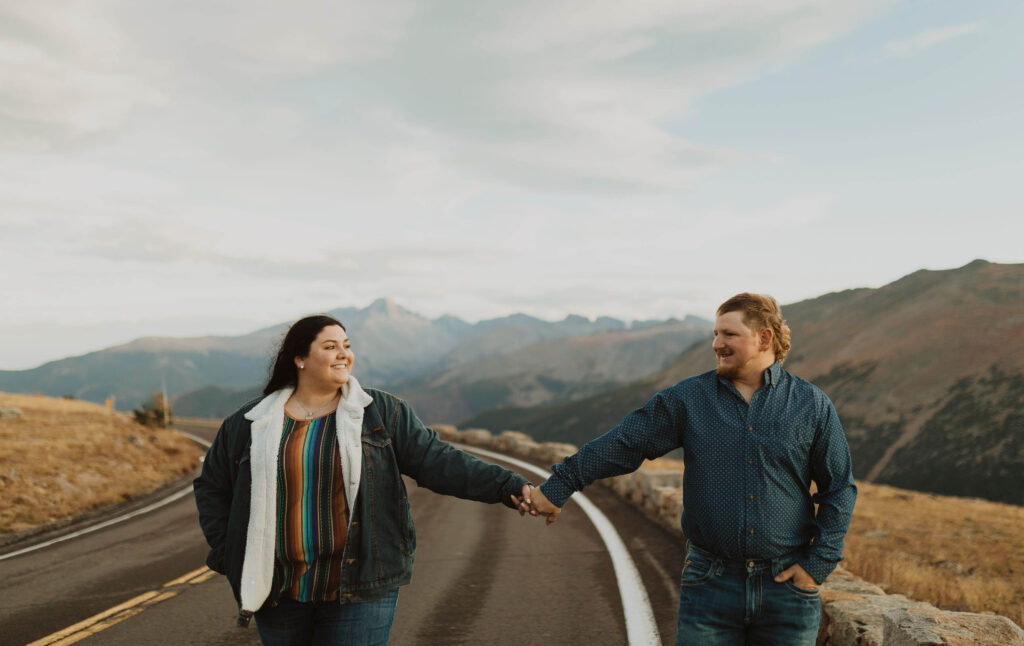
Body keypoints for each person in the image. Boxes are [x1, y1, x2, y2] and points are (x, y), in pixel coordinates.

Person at [521, 293, 857, 645]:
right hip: (711, 582)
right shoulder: (688, 399)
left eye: (728, 334)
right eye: (715, 333)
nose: (716, 344)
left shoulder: (810, 404)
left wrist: (816, 566)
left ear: (764, 338)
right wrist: (558, 487)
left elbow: (839, 488)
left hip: (787, 591)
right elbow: (624, 444)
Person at [194, 315, 532, 646]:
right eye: (330, 346)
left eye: (347, 345)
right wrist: (229, 551)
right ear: (299, 359)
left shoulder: (380, 411)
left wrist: (509, 486)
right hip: (279, 590)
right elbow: (212, 487)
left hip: (360, 584)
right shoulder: (250, 422)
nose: (344, 353)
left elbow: (438, 461)